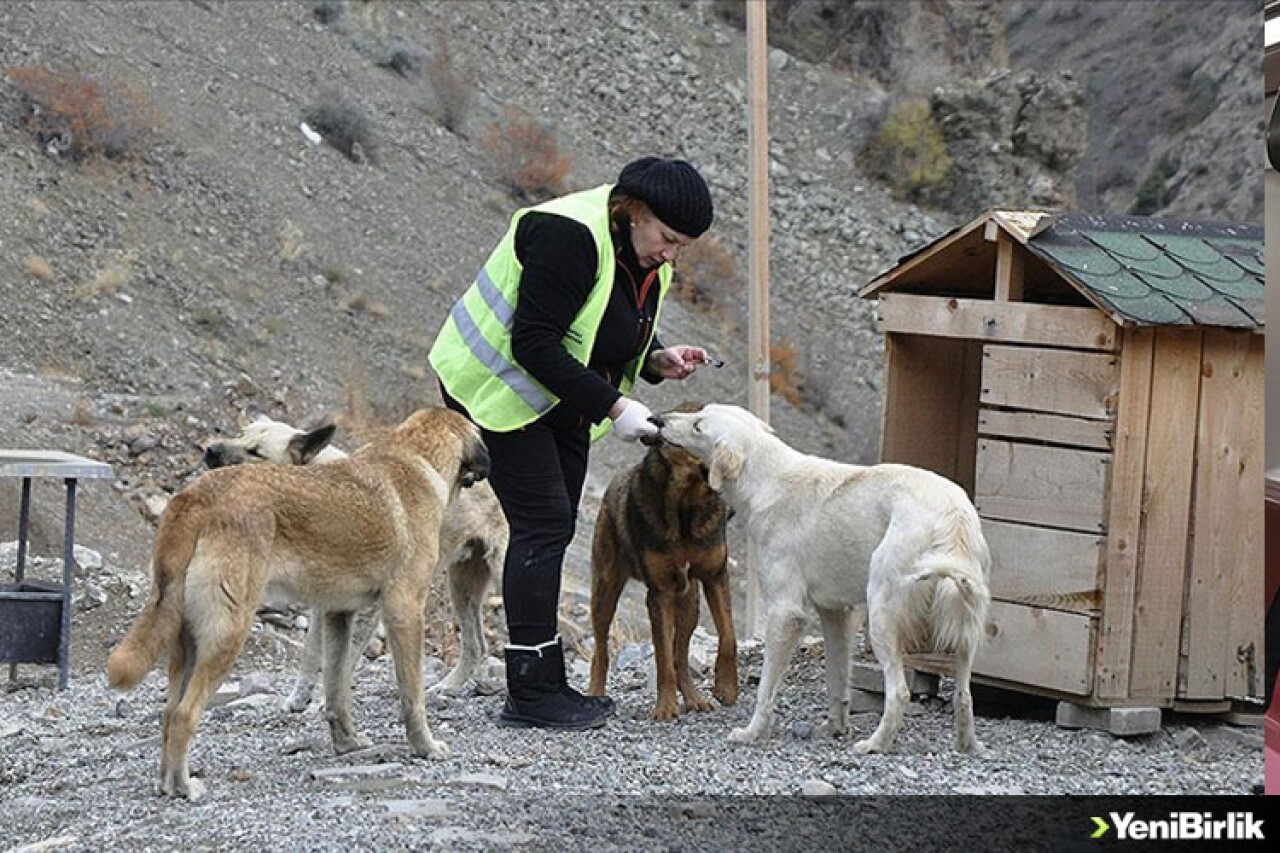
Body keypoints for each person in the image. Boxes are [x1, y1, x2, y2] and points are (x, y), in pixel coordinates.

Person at [428, 156, 715, 729]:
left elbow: (606, 320)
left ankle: (545, 679)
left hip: (561, 396)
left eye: (683, 245)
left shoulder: (641, 256)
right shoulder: (568, 235)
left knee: (552, 524)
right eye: (667, 238)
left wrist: (654, 359)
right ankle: (531, 693)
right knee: (543, 521)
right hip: (496, 386)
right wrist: (617, 406)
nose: (671, 253)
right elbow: (534, 343)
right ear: (634, 212)